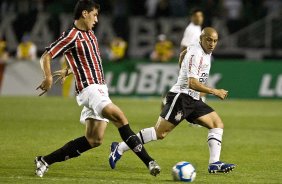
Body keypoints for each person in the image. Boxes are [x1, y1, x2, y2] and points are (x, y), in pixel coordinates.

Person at [35, 0, 160, 177]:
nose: (96, 20)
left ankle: (45, 160)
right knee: (120, 117)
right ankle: (150, 162)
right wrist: (47, 76)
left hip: (99, 88)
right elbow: (46, 56)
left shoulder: (90, 34)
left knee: (94, 139)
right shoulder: (72, 35)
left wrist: (69, 69)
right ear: (84, 13)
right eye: (94, 15)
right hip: (90, 89)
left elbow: (86, 60)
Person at [109, 27, 236, 174]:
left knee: (217, 124)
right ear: (201, 38)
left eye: (215, 41)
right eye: (209, 40)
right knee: (159, 133)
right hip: (181, 97)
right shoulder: (196, 55)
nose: (212, 44)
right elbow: (192, 83)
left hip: (193, 99)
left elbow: (182, 54)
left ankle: (214, 163)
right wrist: (215, 91)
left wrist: (182, 70)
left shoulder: (200, 48)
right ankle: (119, 147)